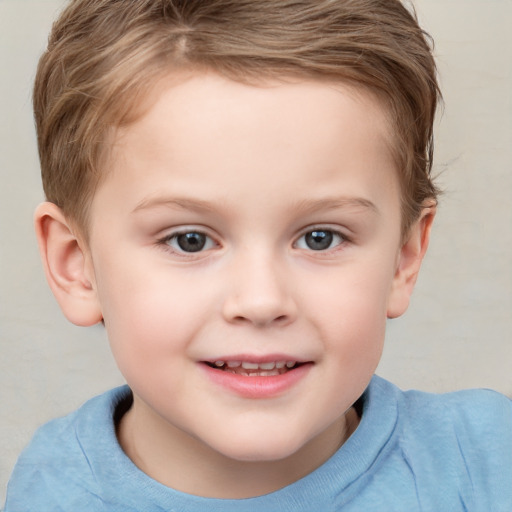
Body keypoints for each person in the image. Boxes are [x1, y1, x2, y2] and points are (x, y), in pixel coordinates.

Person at [4, 0, 512, 510]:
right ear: (77, 265)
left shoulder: (486, 466)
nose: (262, 300)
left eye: (321, 237)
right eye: (190, 240)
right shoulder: (51, 494)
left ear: (404, 256)